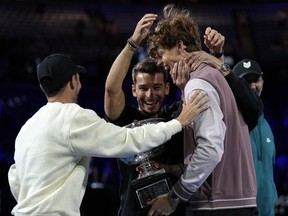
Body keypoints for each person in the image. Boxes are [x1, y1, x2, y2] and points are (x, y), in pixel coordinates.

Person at [7, 53, 210, 216]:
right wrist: (178, 123)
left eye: (156, 87)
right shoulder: (74, 117)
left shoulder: (27, 127)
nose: (150, 94)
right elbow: (127, 140)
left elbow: (15, 177)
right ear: (74, 81)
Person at [104, 13, 261, 216]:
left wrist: (173, 197)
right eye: (143, 88)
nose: (150, 94)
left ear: (168, 88)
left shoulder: (184, 107)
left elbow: (215, 145)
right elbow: (110, 90)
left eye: (157, 87)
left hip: (207, 204)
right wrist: (132, 43)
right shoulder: (132, 118)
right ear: (133, 90)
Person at [146, 4, 257, 216]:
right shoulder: (212, 76)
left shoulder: (198, 84)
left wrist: (174, 197)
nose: (160, 62)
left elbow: (210, 149)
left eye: (161, 53)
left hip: (217, 204)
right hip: (235, 201)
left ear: (180, 46)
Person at [233, 59, 278, 216]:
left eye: (256, 80)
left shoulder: (267, 125)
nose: (253, 86)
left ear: (263, 81)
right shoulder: (233, 124)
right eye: (246, 82)